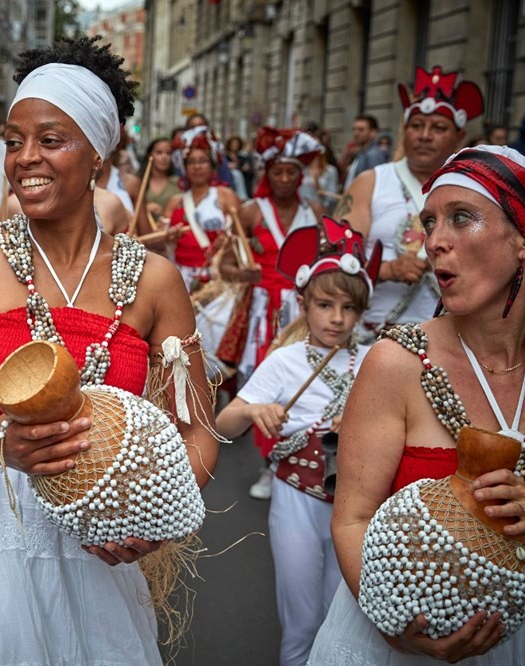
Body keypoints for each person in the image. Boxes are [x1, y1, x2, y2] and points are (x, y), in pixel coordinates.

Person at [0, 35, 219, 664]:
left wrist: (155, 517)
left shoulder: (155, 280)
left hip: (98, 553)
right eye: (13, 141)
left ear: (97, 157)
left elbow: (197, 432)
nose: (24, 159)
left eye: (50, 140)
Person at [309, 145, 525, 663]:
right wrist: (396, 630)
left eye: (462, 218)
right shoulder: (396, 362)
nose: (435, 242)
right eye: (429, 223)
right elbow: (352, 520)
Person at [216, 215, 380, 666]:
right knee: (302, 621)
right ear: (303, 303)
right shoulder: (284, 361)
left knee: (342, 616)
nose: (337, 318)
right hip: (296, 498)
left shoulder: (375, 359)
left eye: (349, 309)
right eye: (325, 305)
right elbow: (224, 424)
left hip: (357, 500)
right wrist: (253, 411)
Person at [337, 65, 482, 337]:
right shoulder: (370, 183)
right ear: (405, 130)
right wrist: (389, 269)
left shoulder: (475, 191)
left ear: (459, 136)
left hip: (454, 341)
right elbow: (335, 256)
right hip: (373, 336)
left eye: (438, 127)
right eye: (416, 126)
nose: (425, 135)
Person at [223, 127, 324, 500]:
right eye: (277, 172)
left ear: (301, 175)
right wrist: (242, 273)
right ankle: (268, 466)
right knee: (265, 387)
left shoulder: (314, 213)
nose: (284, 179)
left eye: (291, 172)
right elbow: (226, 265)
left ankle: (288, 460)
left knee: (299, 384)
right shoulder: (251, 212)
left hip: (301, 311)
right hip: (261, 312)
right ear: (267, 173)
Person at [162, 126, 241, 290]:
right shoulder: (174, 202)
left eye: (203, 161)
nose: (197, 167)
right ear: (184, 167)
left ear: (213, 166)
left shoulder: (226, 196)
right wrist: (168, 237)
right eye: (191, 162)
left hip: (218, 281)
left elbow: (241, 237)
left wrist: (226, 243)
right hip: (180, 279)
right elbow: (159, 240)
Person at [342, 114, 389, 190]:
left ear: (373, 132)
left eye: (361, 130)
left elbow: (374, 185)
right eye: (354, 129)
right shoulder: (362, 153)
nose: (356, 133)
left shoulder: (373, 155)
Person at [141, 137, 181, 220]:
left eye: (168, 153)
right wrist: (144, 209)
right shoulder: (139, 182)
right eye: (159, 153)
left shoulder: (178, 183)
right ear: (150, 155)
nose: (164, 157)